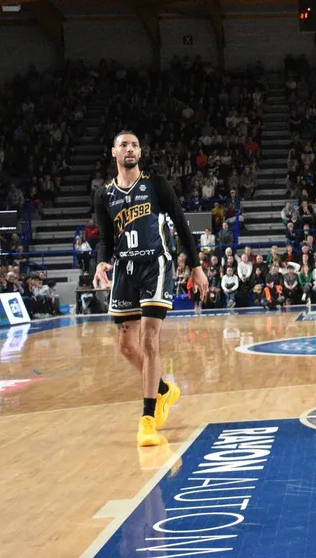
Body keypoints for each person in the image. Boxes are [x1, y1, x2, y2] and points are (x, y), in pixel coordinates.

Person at [93, 130, 208, 447]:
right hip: (124, 269)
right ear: (113, 152)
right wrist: (102, 263)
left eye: (134, 145)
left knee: (148, 338)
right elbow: (105, 238)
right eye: (123, 145)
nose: (129, 149)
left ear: (140, 152)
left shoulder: (156, 185)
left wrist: (196, 267)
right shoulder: (104, 195)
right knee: (125, 346)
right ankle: (163, 390)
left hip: (156, 265)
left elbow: (181, 223)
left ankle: (146, 420)